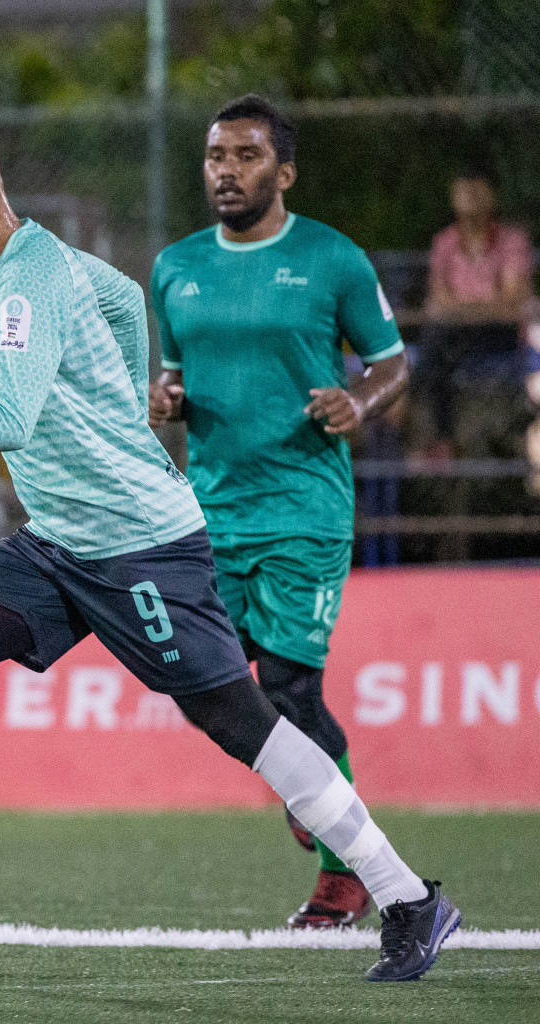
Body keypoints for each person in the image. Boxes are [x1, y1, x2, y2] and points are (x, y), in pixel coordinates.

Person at [0, 126, 458, 983]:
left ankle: (407, 898)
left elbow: (10, 420)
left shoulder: (27, 279)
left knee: (243, 722)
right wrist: (129, 406)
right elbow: (122, 296)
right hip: (59, 545)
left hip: (143, 549)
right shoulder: (27, 266)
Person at [147, 94, 410, 928]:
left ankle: (344, 871)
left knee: (291, 688)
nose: (227, 170)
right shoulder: (176, 266)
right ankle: (306, 779)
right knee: (196, 683)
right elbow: (177, 373)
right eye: (216, 155)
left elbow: (393, 362)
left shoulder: (333, 260)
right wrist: (170, 396)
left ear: (284, 171)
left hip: (304, 511)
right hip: (209, 514)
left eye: (247, 156)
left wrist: (360, 405)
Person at [418, 169, 533, 457]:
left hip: (498, 332)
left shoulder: (512, 241)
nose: (468, 198)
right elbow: (438, 300)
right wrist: (480, 306)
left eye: (475, 191)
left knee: (435, 348)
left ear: (491, 196)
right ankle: (442, 438)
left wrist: (465, 308)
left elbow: (510, 303)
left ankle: (440, 439)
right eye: (462, 191)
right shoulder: (444, 242)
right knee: (436, 341)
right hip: (457, 332)